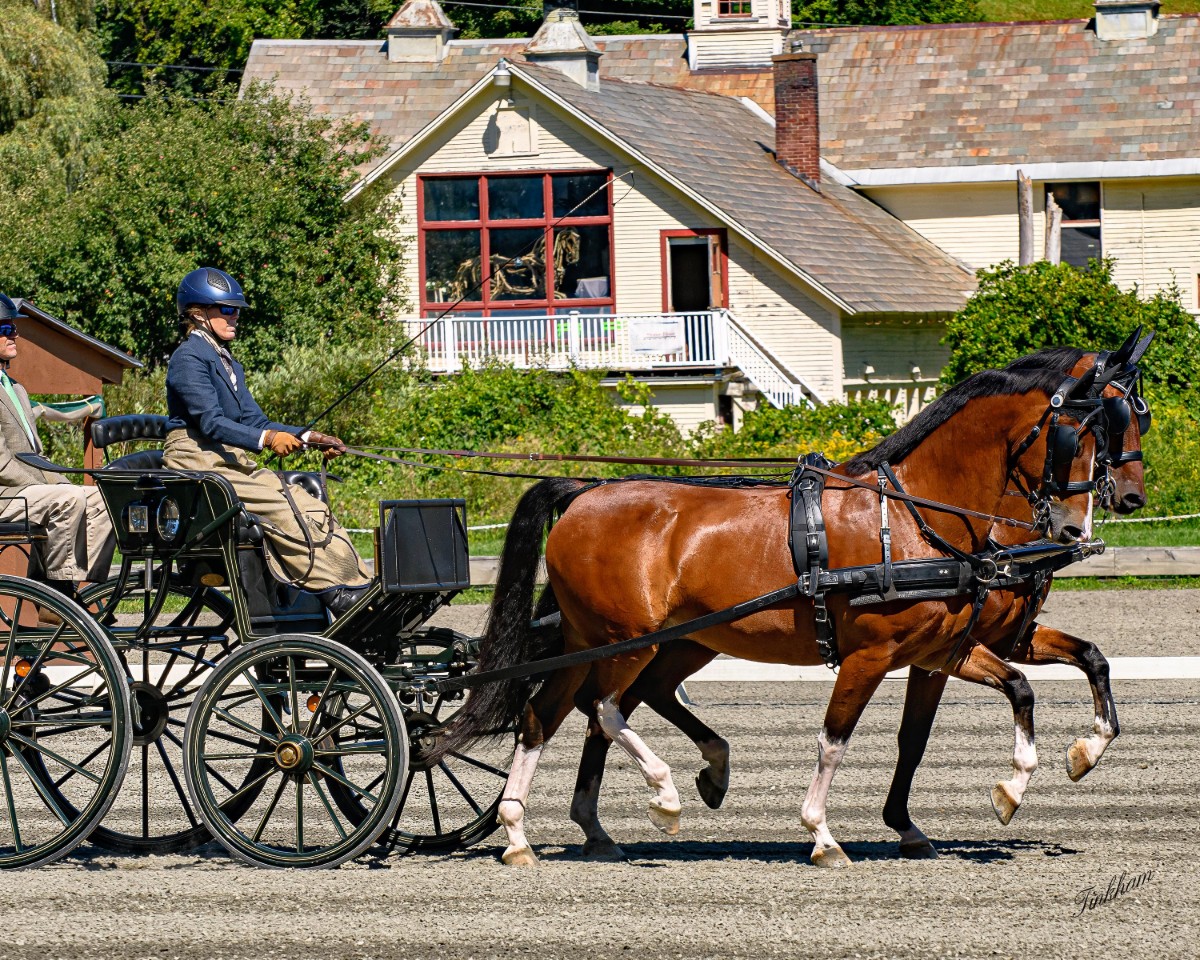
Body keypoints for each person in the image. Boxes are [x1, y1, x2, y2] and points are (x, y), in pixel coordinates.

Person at [163, 267, 370, 616]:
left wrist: (308, 437)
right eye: (226, 309)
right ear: (198, 314)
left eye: (237, 310)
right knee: (281, 509)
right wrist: (268, 439)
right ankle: (332, 592)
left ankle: (357, 583)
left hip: (229, 460)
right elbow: (212, 423)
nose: (235, 316)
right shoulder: (188, 358)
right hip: (196, 461)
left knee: (310, 505)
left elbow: (253, 421)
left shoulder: (227, 362)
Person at [0, 292, 115, 602]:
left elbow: (32, 454)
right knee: (66, 499)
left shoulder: (15, 388)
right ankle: (55, 595)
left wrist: (58, 479)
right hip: (4, 493)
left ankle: (81, 589)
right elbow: (2, 465)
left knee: (102, 498)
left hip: (22, 490)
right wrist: (51, 486)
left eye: (14, 328)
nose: (15, 335)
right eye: (6, 329)